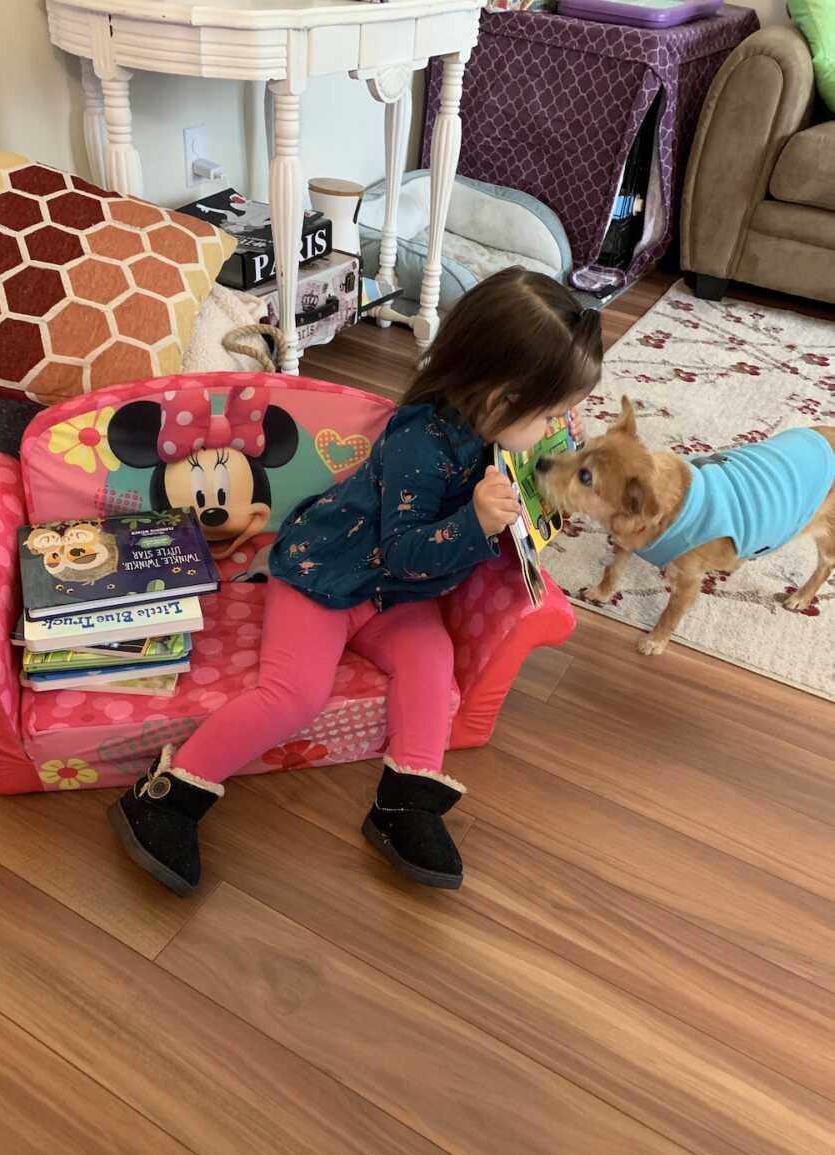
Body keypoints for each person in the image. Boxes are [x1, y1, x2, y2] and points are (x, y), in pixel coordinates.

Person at [107, 268, 604, 897]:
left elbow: (515, 484)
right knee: (293, 695)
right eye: (556, 410)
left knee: (432, 664)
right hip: (324, 577)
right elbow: (403, 551)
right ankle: (163, 798)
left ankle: (405, 803)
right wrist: (476, 520)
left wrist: (557, 450)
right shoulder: (420, 441)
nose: (567, 421)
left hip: (394, 599)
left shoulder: (502, 437)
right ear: (502, 398)